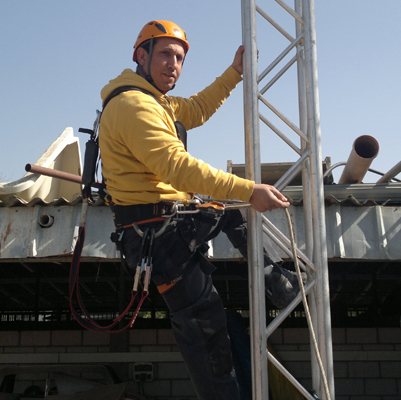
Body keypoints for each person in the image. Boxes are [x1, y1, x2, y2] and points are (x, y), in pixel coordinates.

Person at [98, 20, 302, 399]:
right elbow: (177, 167)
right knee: (205, 327)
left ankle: (278, 281)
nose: (173, 64)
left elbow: (195, 109)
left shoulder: (156, 100)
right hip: (154, 236)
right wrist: (250, 189)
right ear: (140, 56)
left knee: (226, 210)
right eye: (164, 55)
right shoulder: (133, 105)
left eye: (179, 58)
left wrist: (234, 73)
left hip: (165, 222)